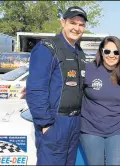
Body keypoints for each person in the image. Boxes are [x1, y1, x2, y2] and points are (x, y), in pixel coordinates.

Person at [26, 6, 88, 165]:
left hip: (74, 122)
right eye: (72, 23)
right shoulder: (47, 48)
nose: (76, 28)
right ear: (63, 22)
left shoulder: (79, 53)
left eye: (81, 25)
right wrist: (45, 123)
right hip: (55, 122)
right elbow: (36, 89)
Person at [79, 36, 120, 165]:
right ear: (101, 51)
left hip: (118, 129)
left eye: (116, 52)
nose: (111, 55)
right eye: (107, 51)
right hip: (90, 129)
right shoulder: (88, 69)